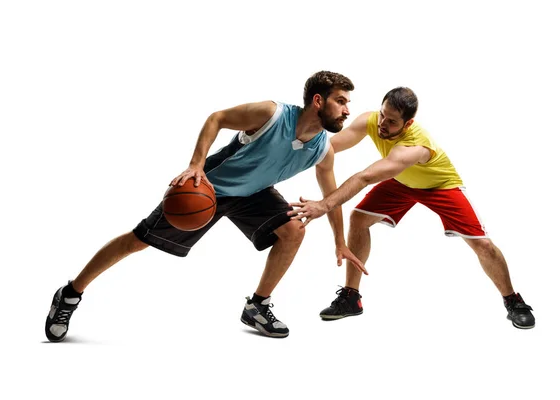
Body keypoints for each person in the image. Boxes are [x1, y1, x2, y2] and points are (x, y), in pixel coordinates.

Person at [45, 71, 367, 341]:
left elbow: (330, 199)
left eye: (348, 103)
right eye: (341, 101)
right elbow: (218, 118)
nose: (347, 110)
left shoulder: (322, 150)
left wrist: (339, 241)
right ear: (318, 101)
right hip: (211, 186)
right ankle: (71, 293)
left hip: (254, 193)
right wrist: (196, 165)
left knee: (294, 230)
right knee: (138, 240)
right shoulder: (271, 114)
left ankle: (257, 305)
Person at [288, 87, 535, 329]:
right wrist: (288, 147)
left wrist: (324, 204)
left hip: (440, 186)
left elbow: (364, 177)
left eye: (392, 121)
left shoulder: (414, 146)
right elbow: (326, 147)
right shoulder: (371, 121)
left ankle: (513, 300)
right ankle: (352, 297)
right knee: (359, 219)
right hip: (402, 182)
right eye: (382, 114)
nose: (383, 124)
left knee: (483, 245)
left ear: (407, 124)